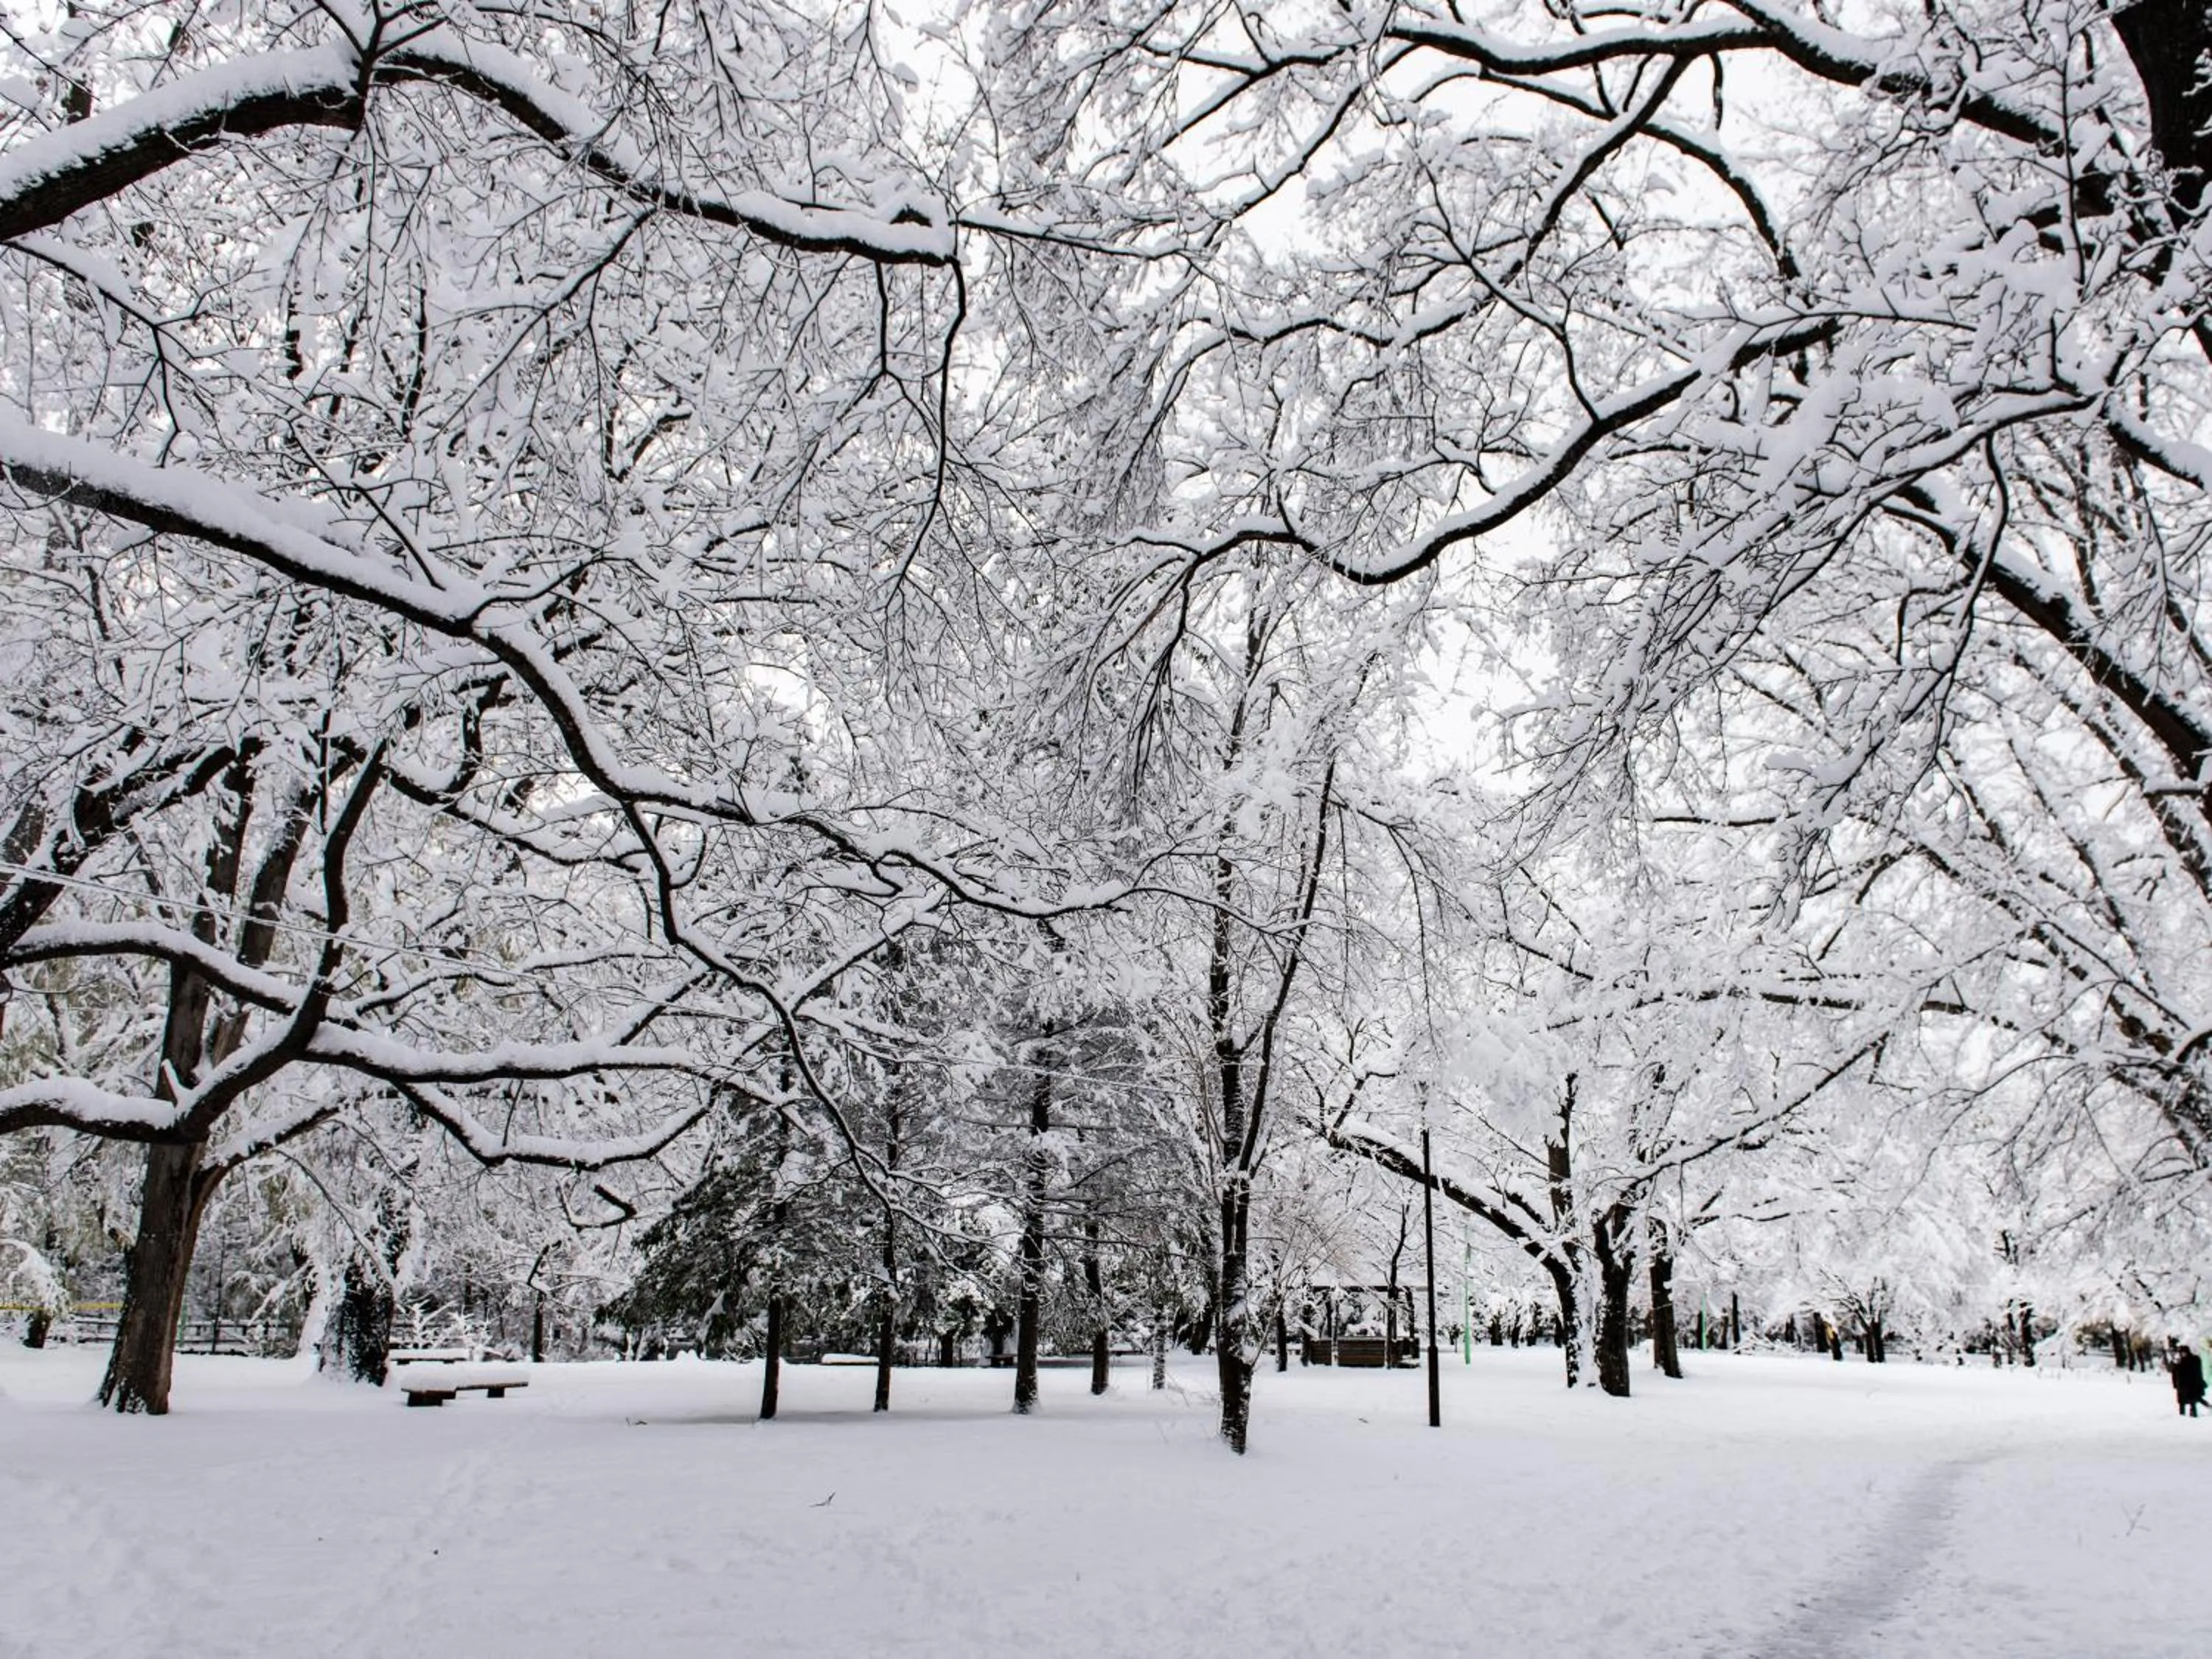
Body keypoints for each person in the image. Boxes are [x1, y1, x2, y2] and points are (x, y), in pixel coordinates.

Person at [2167, 1339, 2205, 1419]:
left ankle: (2194, 1416)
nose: (2182, 1354)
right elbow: (2172, 1371)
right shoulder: (2179, 1362)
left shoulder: (2193, 1360)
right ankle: (2182, 1418)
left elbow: (2197, 1372)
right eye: (2181, 1353)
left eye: (2184, 1353)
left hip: (2192, 1386)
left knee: (2193, 1402)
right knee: (2182, 1403)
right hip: (2182, 1386)